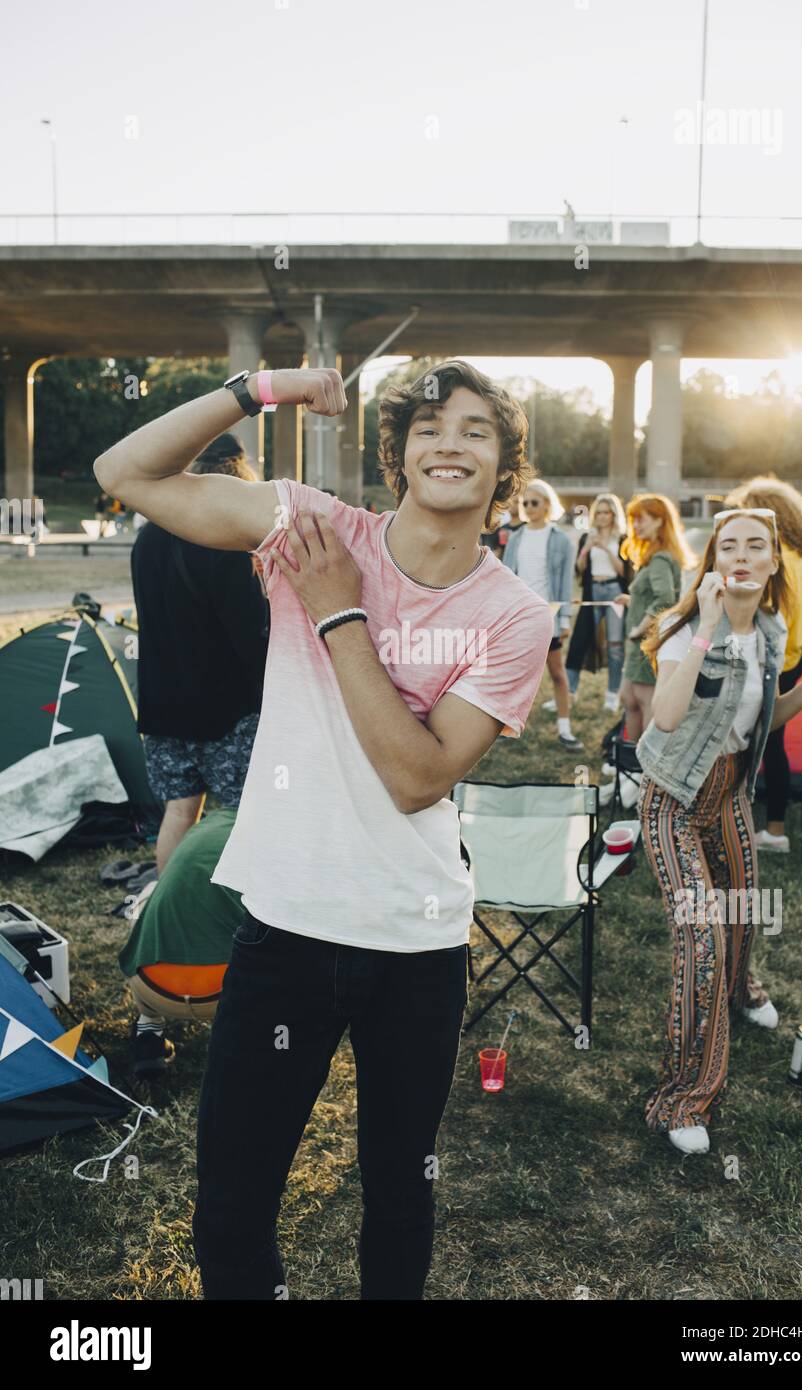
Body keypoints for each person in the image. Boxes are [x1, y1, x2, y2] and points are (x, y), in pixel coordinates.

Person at [94, 358, 553, 1301]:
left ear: (505, 465)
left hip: (416, 941)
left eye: (475, 430)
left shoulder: (513, 616)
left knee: (399, 1197)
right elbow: (124, 473)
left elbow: (417, 777)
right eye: (429, 427)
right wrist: (261, 390)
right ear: (398, 455)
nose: (450, 445)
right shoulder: (312, 527)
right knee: (232, 1204)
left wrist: (338, 610)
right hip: (287, 924)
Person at [636, 508, 802, 1156]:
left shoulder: (770, 629)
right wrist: (705, 628)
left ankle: (737, 991)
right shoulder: (682, 630)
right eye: (727, 545)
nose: (741, 555)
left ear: (773, 561)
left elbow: (761, 720)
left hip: (729, 793)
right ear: (713, 560)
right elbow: (665, 717)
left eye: (755, 545)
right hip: (673, 798)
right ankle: (683, 1099)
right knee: (702, 936)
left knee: (742, 914)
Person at [130, 433, 270, 880]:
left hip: (162, 706)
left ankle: (167, 903)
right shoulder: (226, 539)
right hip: (226, 711)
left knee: (179, 811)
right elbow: (251, 634)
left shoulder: (148, 535)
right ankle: (242, 905)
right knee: (244, 815)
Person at [723, 477, 802, 853]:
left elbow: (764, 607)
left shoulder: (776, 557)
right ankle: (771, 825)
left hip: (770, 655)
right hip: (797, 652)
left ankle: (764, 827)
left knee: (754, 739)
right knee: (772, 739)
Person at [118, 807, 242, 1074]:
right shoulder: (275, 839)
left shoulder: (207, 826)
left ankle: (149, 1025)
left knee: (149, 893)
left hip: (152, 987)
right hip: (226, 996)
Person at [502, 480, 580, 747]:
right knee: (514, 675)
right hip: (519, 618)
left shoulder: (561, 540)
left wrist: (565, 618)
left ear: (547, 505)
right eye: (525, 503)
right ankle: (506, 726)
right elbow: (507, 579)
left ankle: (565, 729)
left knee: (557, 673)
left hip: (549, 617)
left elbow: (566, 582)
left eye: (534, 502)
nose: (528, 507)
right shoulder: (516, 538)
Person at [619, 494, 695, 743]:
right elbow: (655, 595)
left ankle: (642, 762)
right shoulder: (655, 555)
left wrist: (638, 629)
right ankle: (630, 760)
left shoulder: (661, 557)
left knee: (644, 702)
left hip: (648, 642)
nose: (635, 525)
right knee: (629, 699)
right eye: (633, 519)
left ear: (660, 521)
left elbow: (664, 599)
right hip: (642, 643)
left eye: (641, 519)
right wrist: (632, 601)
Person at [562, 493, 630, 713]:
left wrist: (606, 548)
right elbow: (579, 568)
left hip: (614, 592)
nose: (601, 516)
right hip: (592, 592)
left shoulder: (622, 538)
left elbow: (625, 571)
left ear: (613, 515)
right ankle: (568, 692)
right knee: (579, 641)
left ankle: (613, 694)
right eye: (598, 512)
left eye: (606, 512)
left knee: (615, 646)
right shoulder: (587, 536)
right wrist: (587, 548)